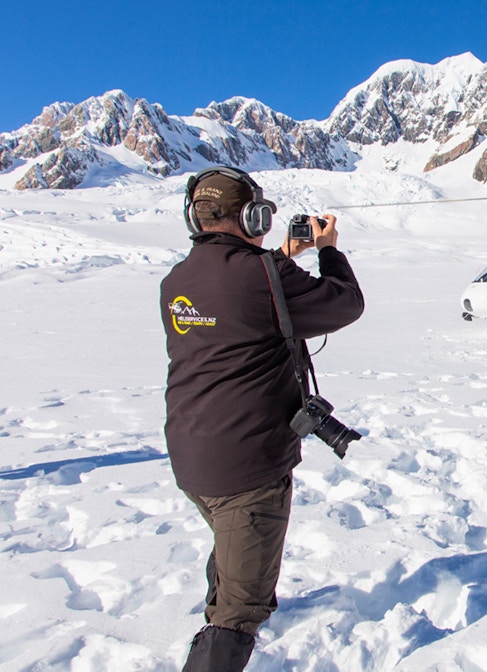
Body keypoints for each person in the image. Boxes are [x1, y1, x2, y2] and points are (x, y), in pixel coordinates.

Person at [160, 166, 364, 671]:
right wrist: (329, 250)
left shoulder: (176, 280)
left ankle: (228, 596)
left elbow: (239, 295)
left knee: (231, 546)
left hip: (192, 455)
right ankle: (226, 626)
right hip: (248, 463)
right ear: (252, 216)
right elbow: (346, 304)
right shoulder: (264, 275)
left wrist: (281, 261)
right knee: (238, 612)